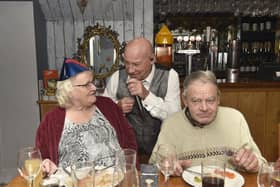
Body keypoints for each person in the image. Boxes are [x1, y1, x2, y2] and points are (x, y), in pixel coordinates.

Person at [149, 70, 266, 174]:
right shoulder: (171, 124)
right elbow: (153, 168)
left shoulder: (235, 118)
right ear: (185, 100)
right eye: (196, 101)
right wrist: (165, 166)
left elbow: (262, 165)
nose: (204, 108)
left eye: (210, 100)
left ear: (218, 99)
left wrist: (254, 164)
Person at [36, 58, 137, 176]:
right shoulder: (51, 120)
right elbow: (42, 158)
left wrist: (129, 172)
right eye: (86, 85)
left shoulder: (108, 105)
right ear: (69, 91)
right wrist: (46, 164)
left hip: (117, 180)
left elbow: (130, 142)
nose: (94, 88)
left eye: (92, 82)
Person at [103, 37, 181, 155]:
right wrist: (117, 108)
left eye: (136, 64)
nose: (130, 69)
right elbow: (102, 115)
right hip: (126, 153)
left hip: (161, 151)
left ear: (152, 59)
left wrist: (146, 95)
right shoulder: (117, 76)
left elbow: (175, 116)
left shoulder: (170, 76)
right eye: (126, 62)